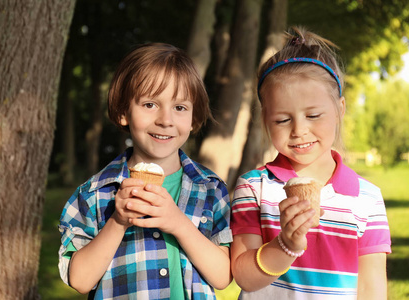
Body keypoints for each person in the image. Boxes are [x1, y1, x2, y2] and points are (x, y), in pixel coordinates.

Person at [58, 43, 232, 299]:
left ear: (194, 119)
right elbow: (80, 280)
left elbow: (222, 277)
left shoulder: (211, 189)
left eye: (180, 107)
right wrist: (117, 222)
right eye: (150, 104)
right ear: (122, 113)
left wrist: (178, 223)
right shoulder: (94, 194)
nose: (165, 119)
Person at [230, 27, 391, 299]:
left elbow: (371, 288)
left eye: (314, 115)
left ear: (340, 108)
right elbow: (244, 277)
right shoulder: (254, 187)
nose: (299, 130)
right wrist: (285, 245)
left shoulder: (368, 198)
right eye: (282, 120)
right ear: (266, 120)